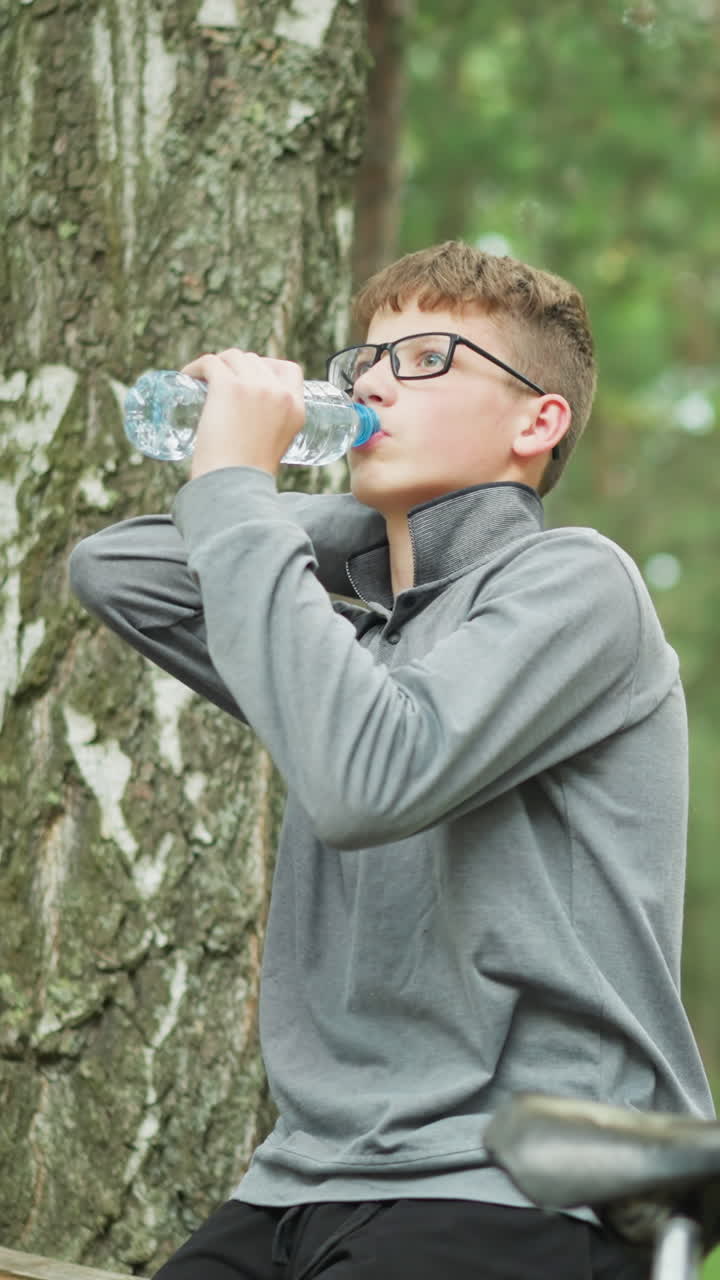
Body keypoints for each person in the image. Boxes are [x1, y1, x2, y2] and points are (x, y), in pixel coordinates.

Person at [69, 241, 714, 1279]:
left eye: (425, 357)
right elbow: (121, 568)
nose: (367, 381)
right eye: (363, 361)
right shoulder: (357, 641)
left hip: (523, 1184)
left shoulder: (580, 585)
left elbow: (372, 776)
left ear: (536, 421)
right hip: (301, 1179)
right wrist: (369, 524)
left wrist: (240, 483)